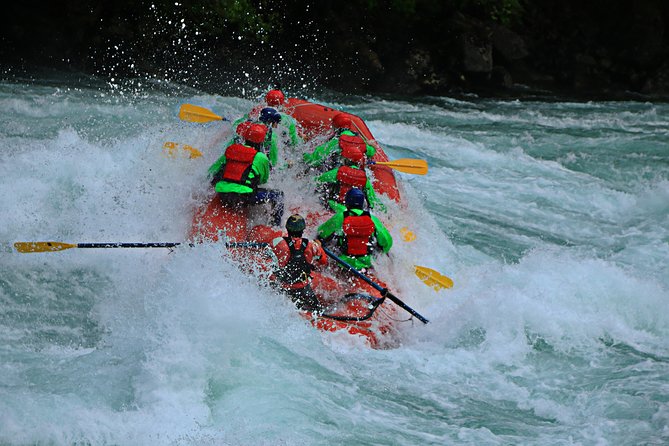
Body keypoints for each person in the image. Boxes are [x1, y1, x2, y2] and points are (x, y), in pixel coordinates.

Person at [208, 122, 284, 226]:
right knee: (278, 196)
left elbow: (218, 169)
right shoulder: (261, 157)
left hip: (222, 194)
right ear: (261, 142)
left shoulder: (231, 149)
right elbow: (263, 180)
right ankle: (275, 227)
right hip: (243, 197)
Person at [317, 188, 392, 271]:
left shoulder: (341, 217)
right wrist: (380, 252)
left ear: (347, 202)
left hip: (343, 262)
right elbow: (387, 241)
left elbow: (322, 233)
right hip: (367, 263)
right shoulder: (372, 219)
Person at [270, 214, 328, 311]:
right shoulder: (312, 245)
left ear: (287, 228)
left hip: (281, 287)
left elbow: (267, 258)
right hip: (302, 288)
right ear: (303, 229)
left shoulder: (277, 242)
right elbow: (323, 261)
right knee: (318, 311)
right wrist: (319, 246)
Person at [314, 142, 381, 210]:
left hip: (335, 206)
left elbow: (318, 180)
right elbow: (372, 200)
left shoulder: (338, 172)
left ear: (345, 160)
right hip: (354, 210)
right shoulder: (364, 178)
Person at [303, 112, 376, 171]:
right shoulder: (360, 141)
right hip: (357, 175)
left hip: (337, 175)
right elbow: (371, 152)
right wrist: (370, 144)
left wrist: (302, 154)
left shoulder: (336, 141)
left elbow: (313, 159)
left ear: (336, 127)